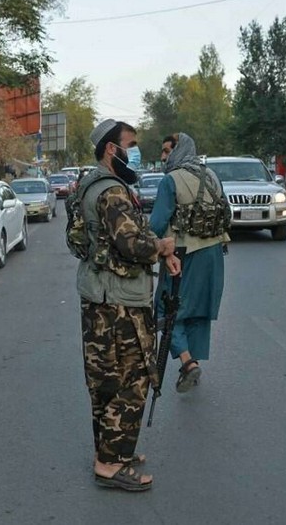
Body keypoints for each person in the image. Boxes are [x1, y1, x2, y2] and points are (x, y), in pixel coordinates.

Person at [76, 119, 180, 492]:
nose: (134, 152)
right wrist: (163, 247)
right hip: (118, 302)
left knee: (106, 382)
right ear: (111, 148)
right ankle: (109, 464)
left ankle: (111, 451)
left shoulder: (93, 184)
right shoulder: (112, 192)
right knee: (134, 380)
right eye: (130, 145)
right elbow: (131, 244)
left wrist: (159, 250)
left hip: (100, 296)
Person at [151, 133, 230, 393]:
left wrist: (147, 247)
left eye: (167, 151)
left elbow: (157, 224)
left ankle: (187, 363)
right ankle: (192, 362)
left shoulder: (170, 180)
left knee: (167, 309)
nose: (163, 157)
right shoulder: (212, 175)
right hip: (214, 254)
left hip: (184, 255)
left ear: (179, 150)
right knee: (197, 311)